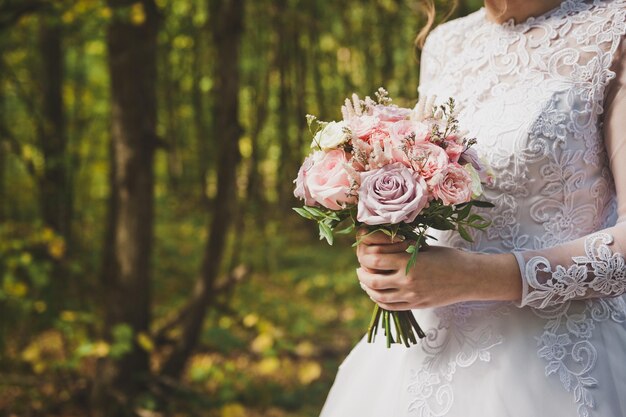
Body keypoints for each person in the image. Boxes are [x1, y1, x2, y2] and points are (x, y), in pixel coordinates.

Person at [319, 0, 626, 416]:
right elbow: (427, 179)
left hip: (562, 359)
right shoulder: (445, 43)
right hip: (421, 354)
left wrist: (476, 277)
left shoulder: (613, 30)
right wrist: (387, 242)